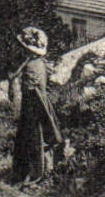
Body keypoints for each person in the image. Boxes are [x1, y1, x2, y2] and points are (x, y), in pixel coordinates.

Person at [9, 27, 64, 185]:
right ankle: (33, 170)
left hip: (33, 106)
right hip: (38, 103)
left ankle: (33, 172)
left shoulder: (31, 66)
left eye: (23, 47)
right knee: (33, 138)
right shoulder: (37, 62)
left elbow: (31, 90)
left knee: (34, 138)